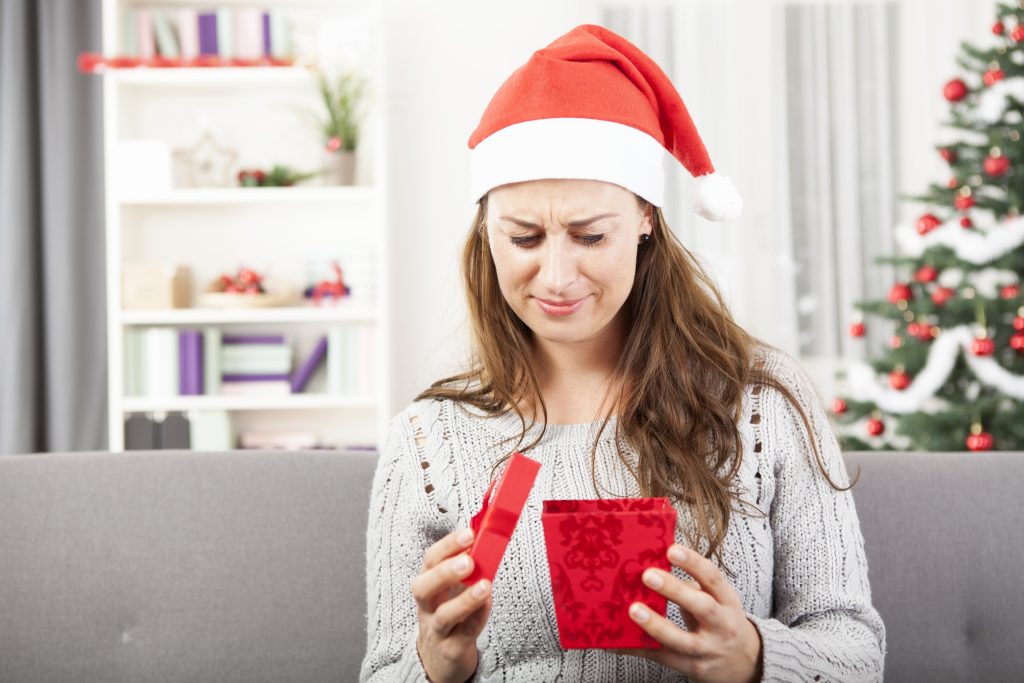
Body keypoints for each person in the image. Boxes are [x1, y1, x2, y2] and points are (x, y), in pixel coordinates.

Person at [359, 23, 885, 683]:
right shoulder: (429, 438)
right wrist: (437, 665)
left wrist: (752, 657)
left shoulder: (761, 400)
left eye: (588, 234)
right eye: (524, 237)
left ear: (644, 218)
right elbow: (382, 672)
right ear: (485, 231)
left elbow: (856, 654)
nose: (555, 276)